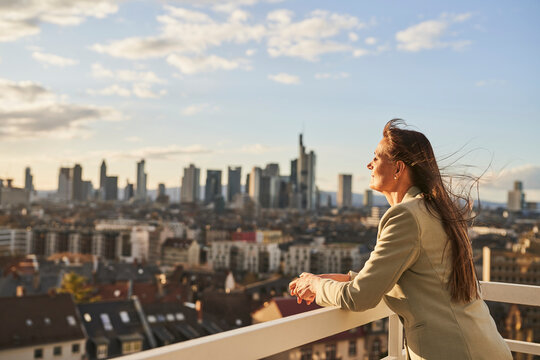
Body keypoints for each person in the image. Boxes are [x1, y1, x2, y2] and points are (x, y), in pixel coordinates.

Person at [289, 119, 512, 359]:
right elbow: (421, 275)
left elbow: (359, 297)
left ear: (398, 169)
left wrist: (315, 284)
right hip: (486, 346)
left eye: (376, 158)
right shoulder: (436, 209)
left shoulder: (405, 215)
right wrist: (347, 278)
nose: (368, 165)